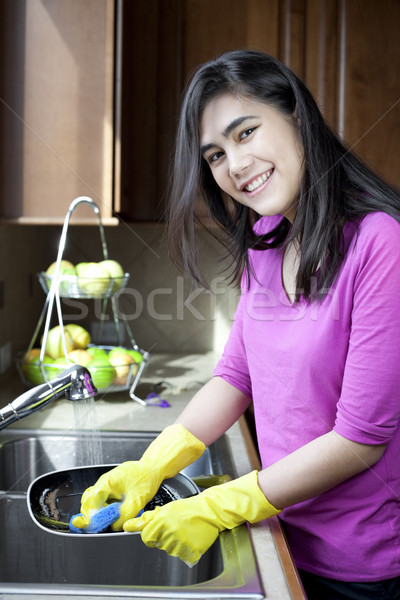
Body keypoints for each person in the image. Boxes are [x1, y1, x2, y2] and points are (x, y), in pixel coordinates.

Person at [73, 50, 400, 599]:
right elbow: (235, 375)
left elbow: (360, 441)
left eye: (246, 133)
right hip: (279, 535)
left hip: (359, 567)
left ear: (297, 116)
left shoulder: (380, 244)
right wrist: (153, 463)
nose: (235, 166)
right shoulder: (267, 241)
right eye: (216, 155)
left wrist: (223, 504)